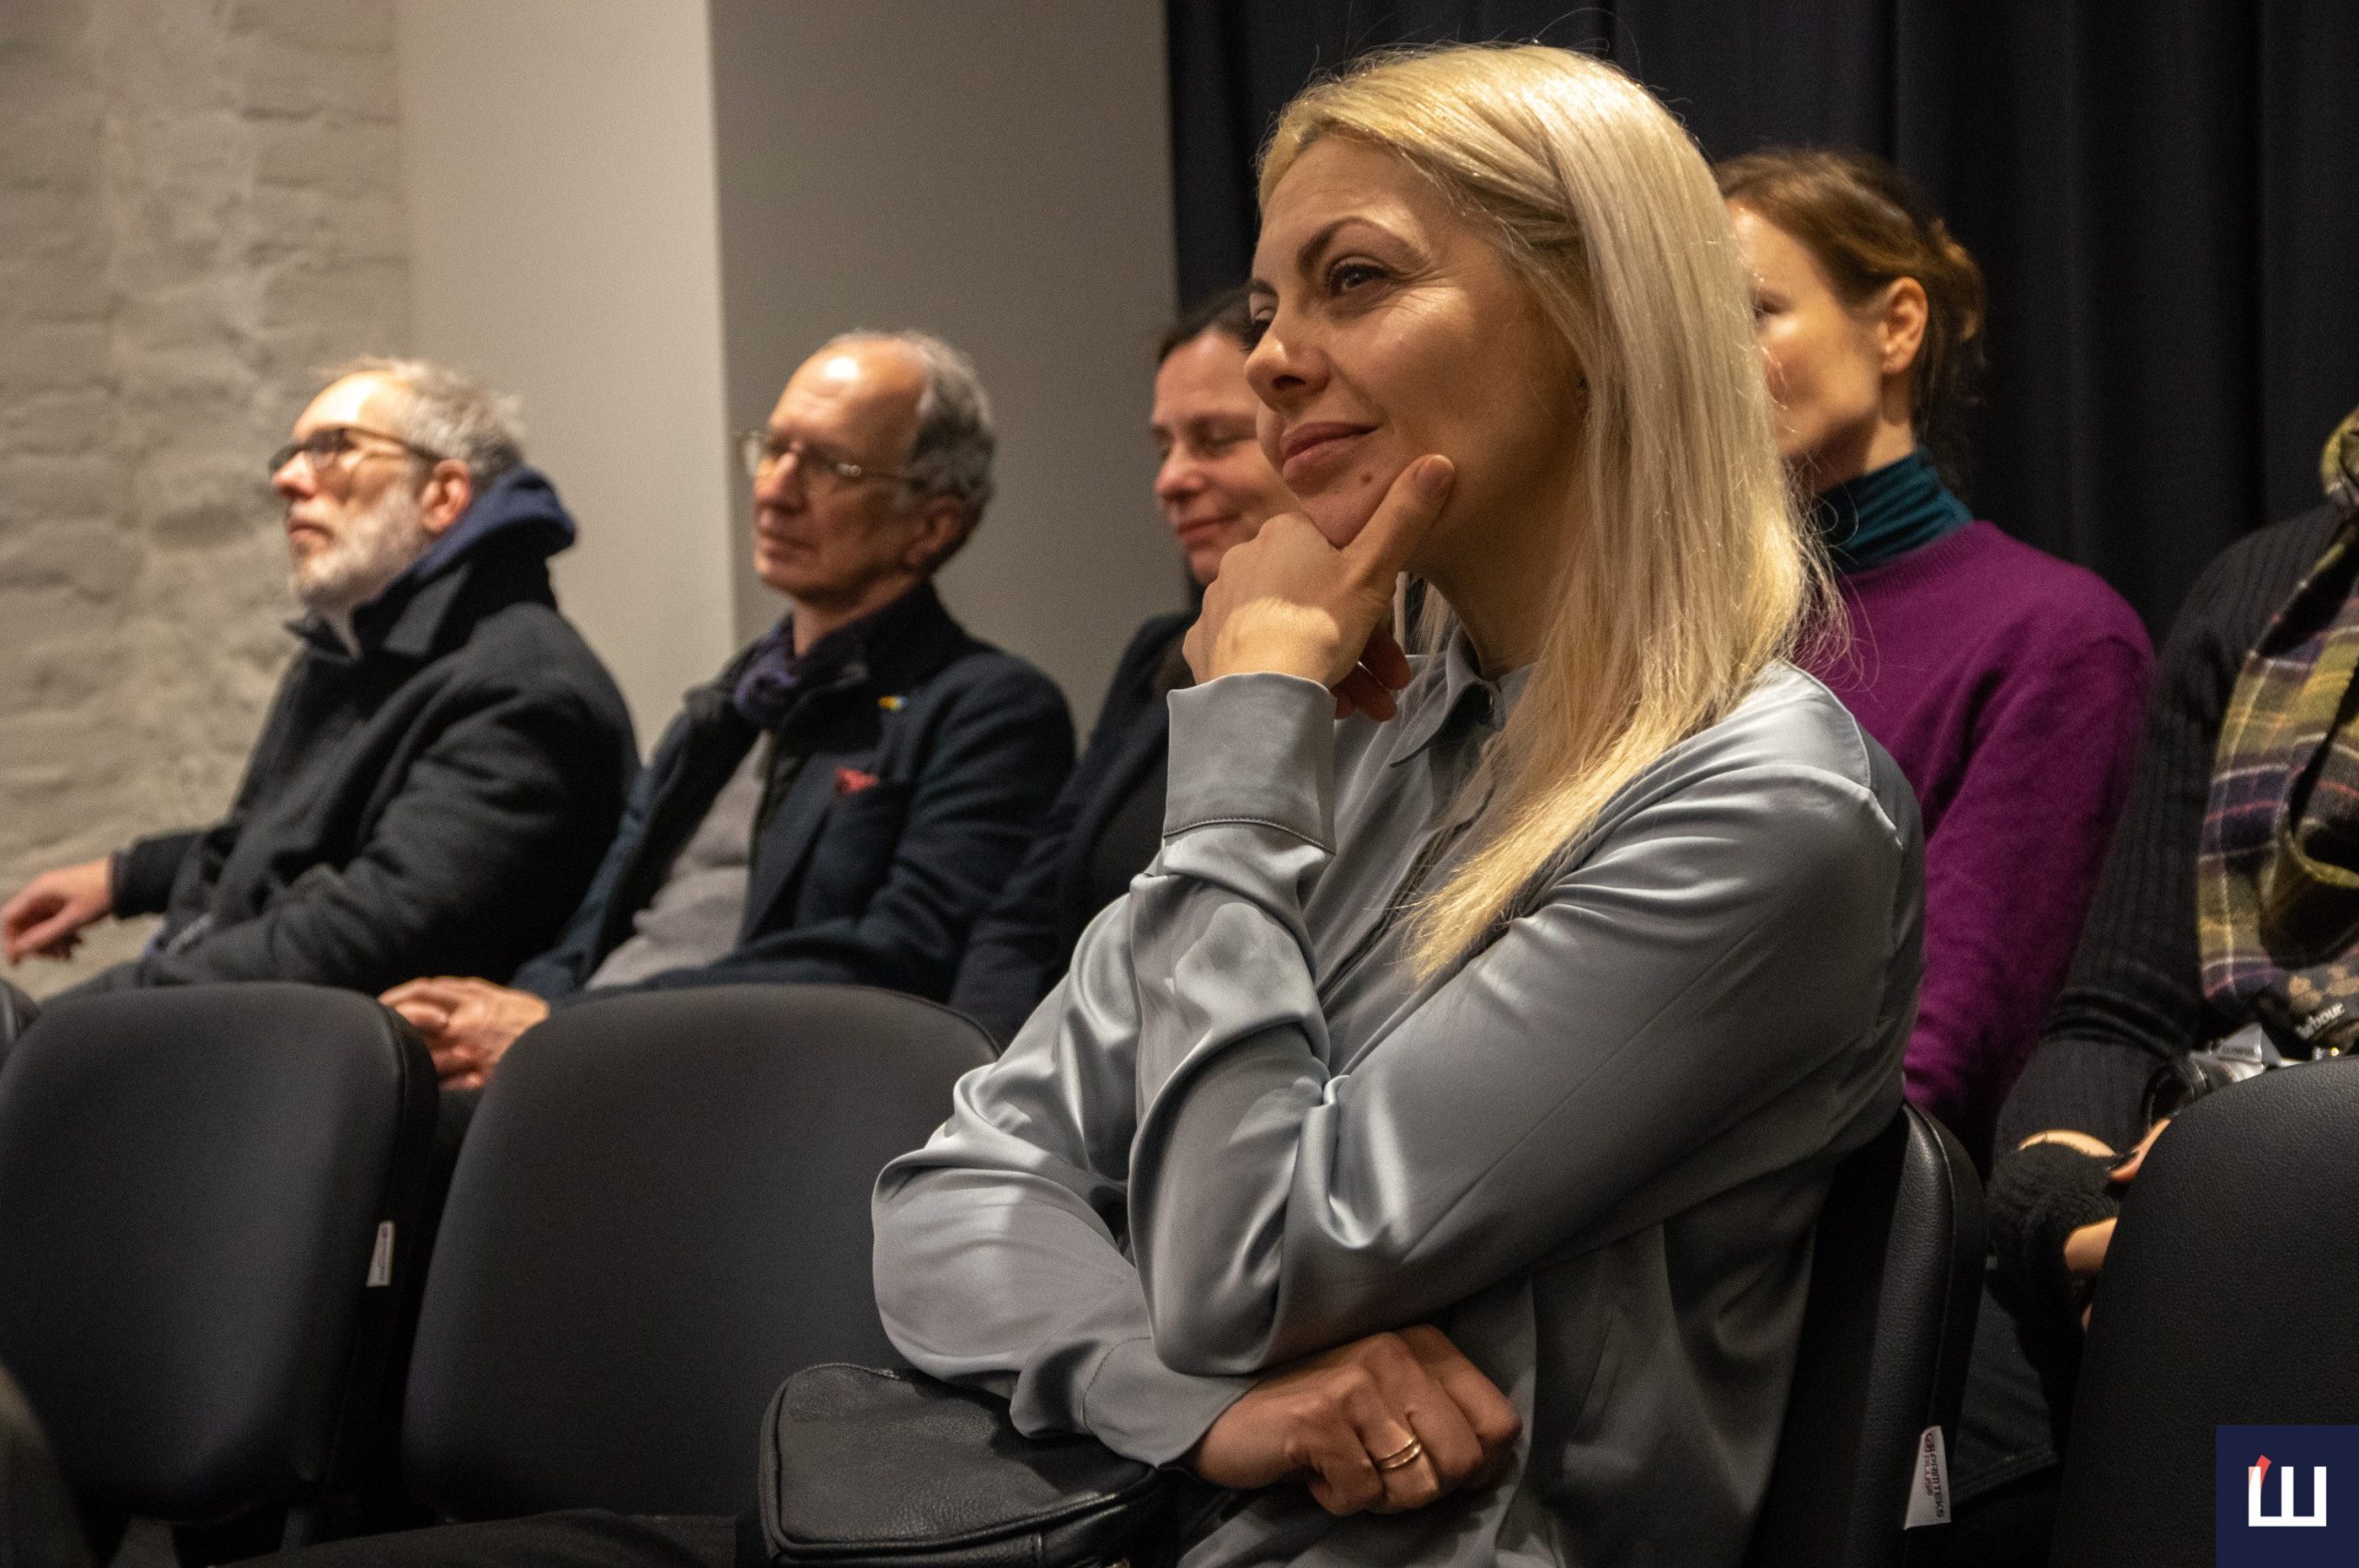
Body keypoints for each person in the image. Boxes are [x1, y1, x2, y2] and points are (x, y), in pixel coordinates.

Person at [249, 46, 1918, 1568]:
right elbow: (952, 1183)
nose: (1275, 359)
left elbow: (1243, 1260)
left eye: (1353, 281)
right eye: (1267, 302)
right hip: (1126, 1506)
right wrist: (1187, 1398)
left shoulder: (1758, 806)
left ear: (1598, 316)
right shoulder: (1362, 736)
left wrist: (1246, 736)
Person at [381, 332, 1073, 1090]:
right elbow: (593, 926)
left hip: (746, 1085)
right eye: (774, 450)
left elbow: (896, 957)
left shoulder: (990, 711)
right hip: (596, 1057)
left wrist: (562, 1026)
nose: (775, 489)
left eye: (830, 466)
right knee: (386, 1073)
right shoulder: (729, 705)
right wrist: (507, 1015)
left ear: (931, 525)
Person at [1946, 404, 2359, 1562]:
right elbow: (2113, 1012)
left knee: (2276, 1489)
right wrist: (2068, 1201)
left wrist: (2254, 1181)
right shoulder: (2259, 588)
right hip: (2200, 1179)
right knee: (1949, 1433)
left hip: (2294, 1193)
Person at [1719, 148, 2152, 1164]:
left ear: (1897, 326)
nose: (1711, 363)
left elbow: (1938, 1053)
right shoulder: (1674, 636)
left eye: (1753, 314)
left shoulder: (2054, 639)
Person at [0, 359, 636, 997]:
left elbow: (364, 938)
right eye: (293, 454)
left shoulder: (523, 687)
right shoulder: (354, 651)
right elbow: (272, 844)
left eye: (334, 448)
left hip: (333, 1050)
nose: (287, 480)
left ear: (442, 496)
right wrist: (128, 878)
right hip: (262, 1029)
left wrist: (91, 1015)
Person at [949, 287, 1296, 1042]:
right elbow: (1024, 922)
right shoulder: (1159, 654)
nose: (1171, 480)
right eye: (1164, 447)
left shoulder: (1392, 671)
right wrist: (976, 1069)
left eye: (1215, 439)